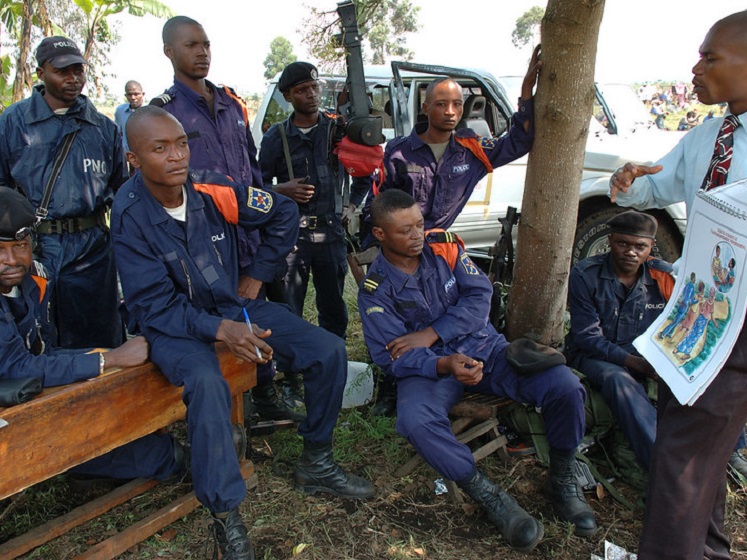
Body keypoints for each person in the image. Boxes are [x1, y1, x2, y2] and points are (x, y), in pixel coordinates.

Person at [112, 106, 374, 560]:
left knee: (328, 350)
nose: (177, 157)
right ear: (134, 159)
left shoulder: (212, 188)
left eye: (182, 144)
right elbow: (155, 307)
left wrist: (256, 274)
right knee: (208, 382)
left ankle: (317, 462)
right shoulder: (130, 214)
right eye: (160, 148)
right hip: (173, 329)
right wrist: (219, 330)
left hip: (235, 308)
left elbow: (283, 212)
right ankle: (226, 515)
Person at [358, 189, 597, 551]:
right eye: (405, 230)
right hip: (431, 372)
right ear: (380, 235)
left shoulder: (444, 247)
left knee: (564, 385)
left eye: (420, 224)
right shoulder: (375, 291)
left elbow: (479, 297)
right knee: (415, 421)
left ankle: (562, 478)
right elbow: (390, 354)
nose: (418, 235)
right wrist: (441, 362)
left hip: (485, 350)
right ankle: (491, 498)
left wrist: (431, 333)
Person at [609, 11, 747, 559]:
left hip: (735, 322)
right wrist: (627, 182)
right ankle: (707, 550)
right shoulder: (710, 135)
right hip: (697, 315)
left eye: (711, 57)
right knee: (693, 446)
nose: (696, 67)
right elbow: (658, 185)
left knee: (682, 460)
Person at [155, 15, 299, 423]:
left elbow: (252, 172)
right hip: (205, 240)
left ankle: (265, 391)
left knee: (259, 307)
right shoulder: (164, 114)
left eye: (206, 44)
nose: (201, 53)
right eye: (190, 45)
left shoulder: (232, 103)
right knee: (219, 318)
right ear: (169, 51)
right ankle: (233, 406)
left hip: (250, 229)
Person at [0, 187, 186, 485]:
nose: (11, 259)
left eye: (20, 246)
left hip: (25, 396)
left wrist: (102, 358)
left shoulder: (35, 278)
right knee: (157, 454)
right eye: (0, 249)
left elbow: (43, 352)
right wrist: (108, 358)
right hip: (12, 411)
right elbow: (16, 367)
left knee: (111, 396)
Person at [0, 36, 127, 350]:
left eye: (78, 70)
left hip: (93, 249)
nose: (74, 79)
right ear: (41, 73)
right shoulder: (13, 123)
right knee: (38, 335)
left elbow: (121, 189)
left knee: (99, 336)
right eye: (62, 71)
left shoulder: (102, 127)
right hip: (36, 248)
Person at [258, 61, 371, 408]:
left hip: (331, 236)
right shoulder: (276, 136)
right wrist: (282, 190)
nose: (311, 94)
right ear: (288, 95)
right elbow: (256, 187)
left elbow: (364, 173)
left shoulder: (338, 131)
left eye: (314, 87)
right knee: (287, 311)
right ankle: (290, 380)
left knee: (333, 309)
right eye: (302, 89)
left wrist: (352, 206)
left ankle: (329, 372)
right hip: (290, 240)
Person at [375, 46, 541, 232]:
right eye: (441, 104)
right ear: (426, 108)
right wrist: (374, 250)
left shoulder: (472, 151)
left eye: (457, 104)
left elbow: (519, 142)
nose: (450, 112)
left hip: (439, 249)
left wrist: (527, 89)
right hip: (400, 248)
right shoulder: (399, 152)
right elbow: (376, 204)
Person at [566, 211, 672, 471]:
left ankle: (731, 451)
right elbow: (587, 337)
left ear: (651, 247)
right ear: (610, 240)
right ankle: (660, 467)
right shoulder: (585, 274)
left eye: (640, 246)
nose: (631, 252)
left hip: (644, 355)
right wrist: (634, 363)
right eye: (622, 243)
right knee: (619, 381)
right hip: (594, 356)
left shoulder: (664, 276)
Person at [114, 80, 145, 152]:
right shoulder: (120, 111)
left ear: (143, 94)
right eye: (129, 94)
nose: (133, 97)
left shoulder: (150, 111)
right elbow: (118, 134)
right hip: (127, 156)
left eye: (136, 94)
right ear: (126, 95)